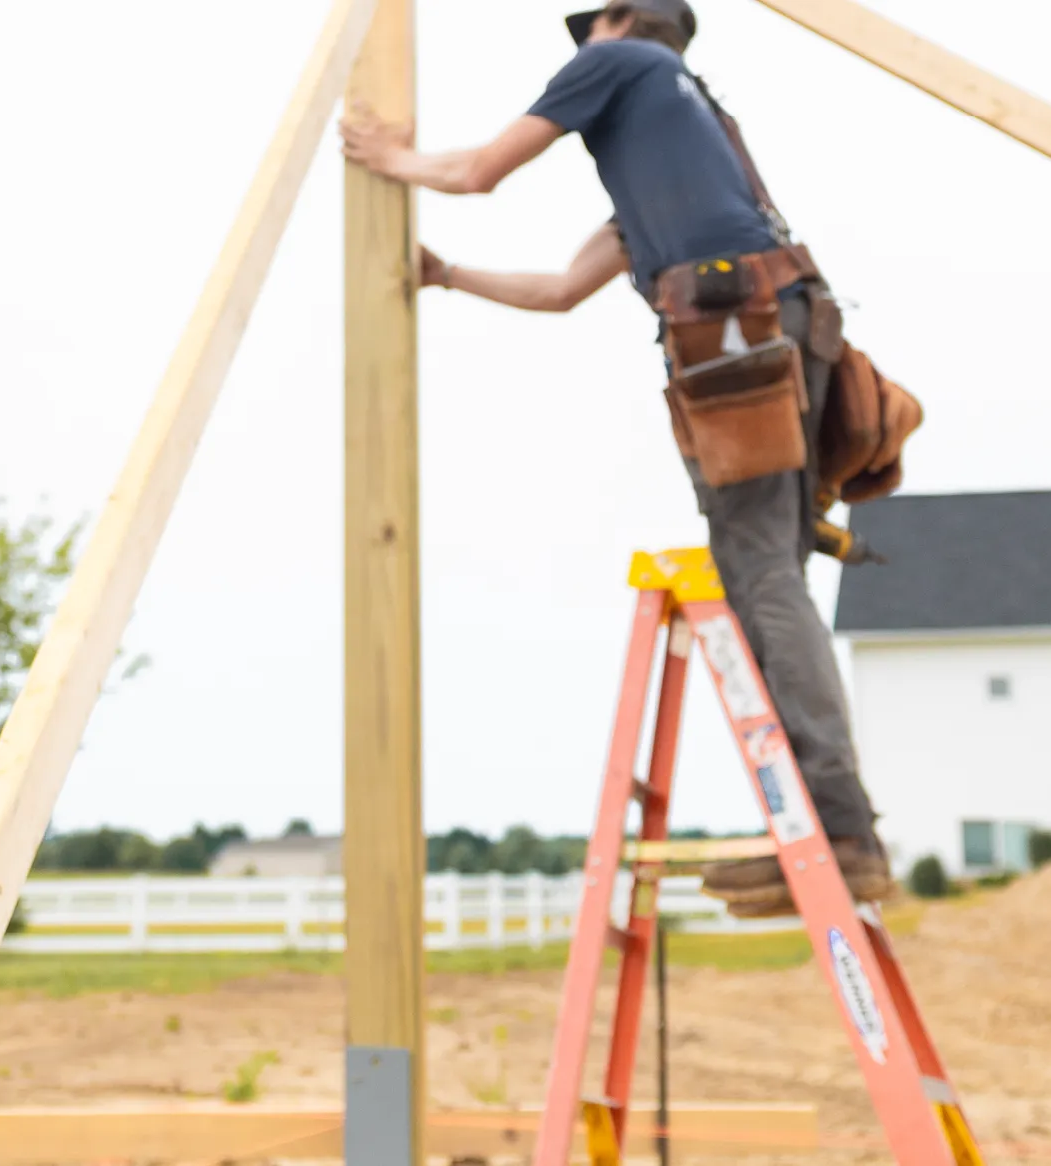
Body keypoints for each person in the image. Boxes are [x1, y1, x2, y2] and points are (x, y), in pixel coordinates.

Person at [340, 0, 896, 916]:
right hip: (778, 327)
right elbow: (562, 291)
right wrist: (448, 277)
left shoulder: (622, 62)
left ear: (625, 18)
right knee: (766, 572)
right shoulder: (685, 161)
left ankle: (841, 833)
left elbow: (481, 170)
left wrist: (389, 159)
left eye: (587, 26)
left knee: (759, 576)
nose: (580, 47)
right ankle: (832, 830)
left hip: (735, 335)